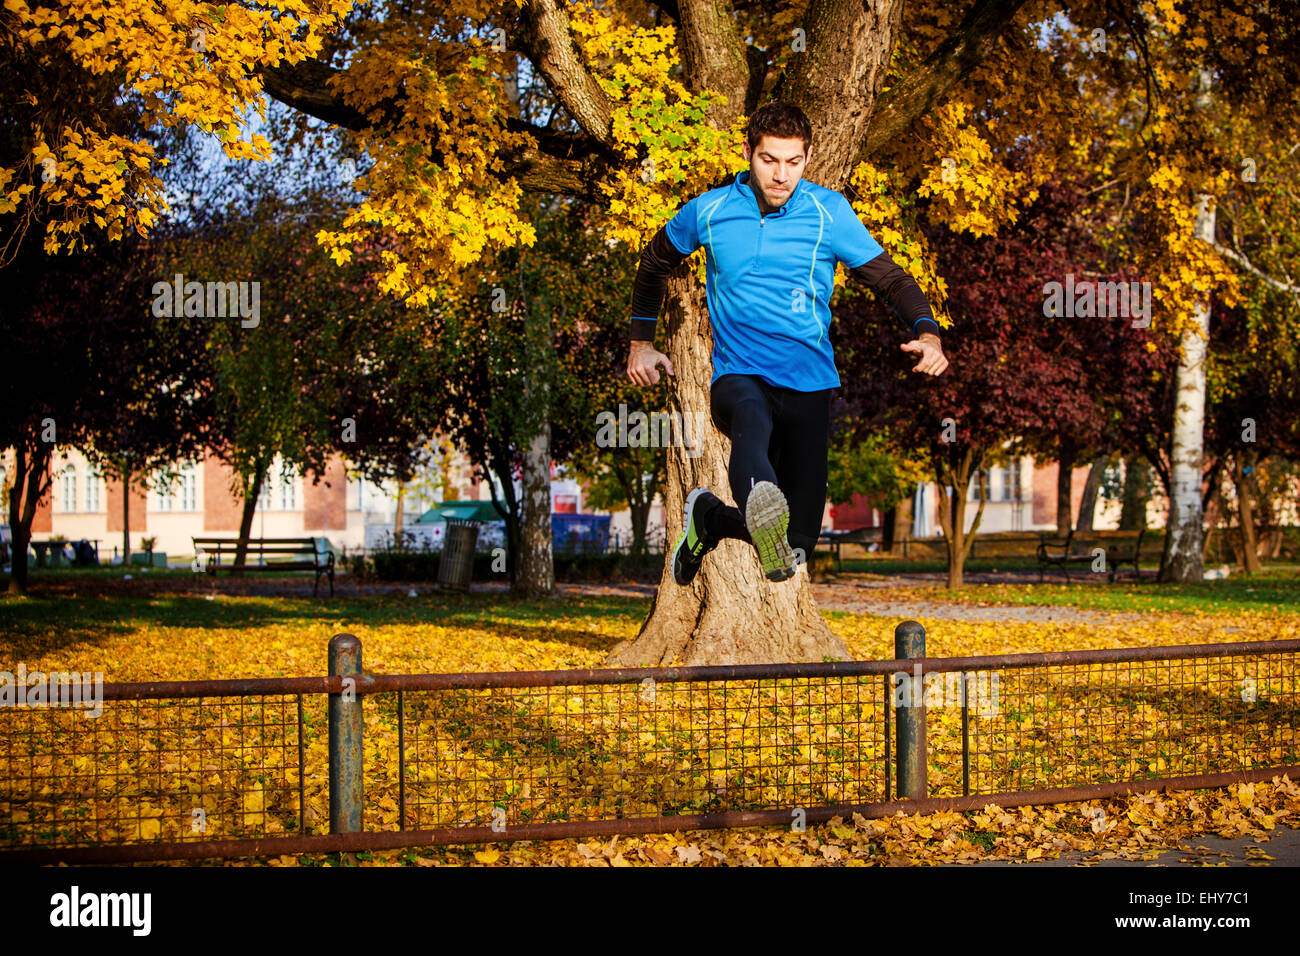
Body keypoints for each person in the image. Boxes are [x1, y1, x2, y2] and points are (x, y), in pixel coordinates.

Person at [625, 101, 950, 586]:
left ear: (808, 157)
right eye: (769, 160)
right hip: (739, 375)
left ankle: (711, 518)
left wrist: (928, 333)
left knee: (794, 547)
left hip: (810, 382)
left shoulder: (828, 213)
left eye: (793, 162)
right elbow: (653, 263)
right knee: (751, 420)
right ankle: (738, 507)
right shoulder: (710, 210)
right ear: (748, 153)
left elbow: (893, 281)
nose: (781, 175)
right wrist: (640, 344)